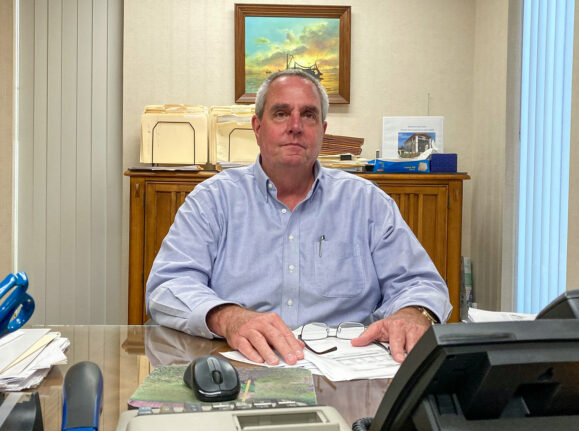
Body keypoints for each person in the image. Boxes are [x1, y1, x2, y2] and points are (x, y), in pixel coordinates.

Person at [146, 69, 451, 366]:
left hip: (350, 374)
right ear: (257, 127)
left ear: (322, 131)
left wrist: (413, 313)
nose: (295, 126)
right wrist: (228, 317)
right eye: (280, 113)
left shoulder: (367, 202)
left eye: (308, 115)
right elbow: (168, 286)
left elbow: (420, 282)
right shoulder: (211, 201)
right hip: (239, 368)